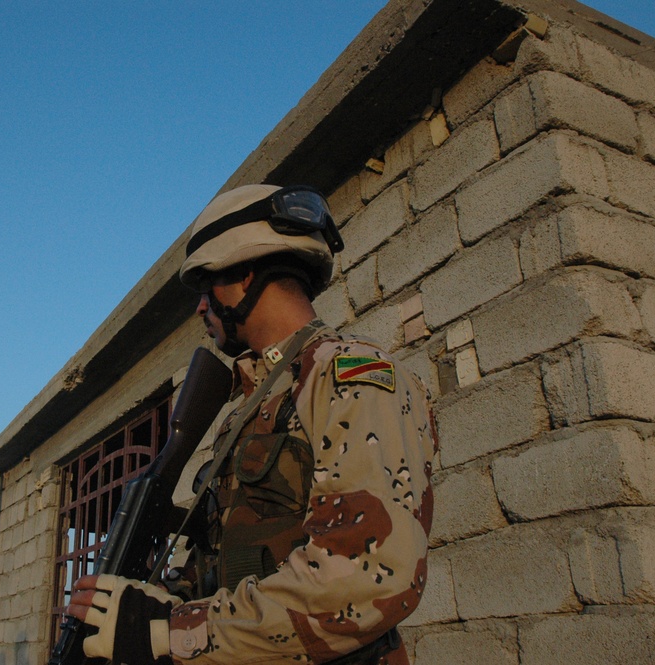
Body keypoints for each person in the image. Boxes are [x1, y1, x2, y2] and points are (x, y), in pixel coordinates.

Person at [67, 184, 438, 664]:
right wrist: (152, 601)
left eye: (207, 286)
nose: (201, 307)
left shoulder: (351, 376)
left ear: (244, 274)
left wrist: (169, 632)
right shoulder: (248, 410)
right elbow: (228, 565)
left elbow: (366, 573)